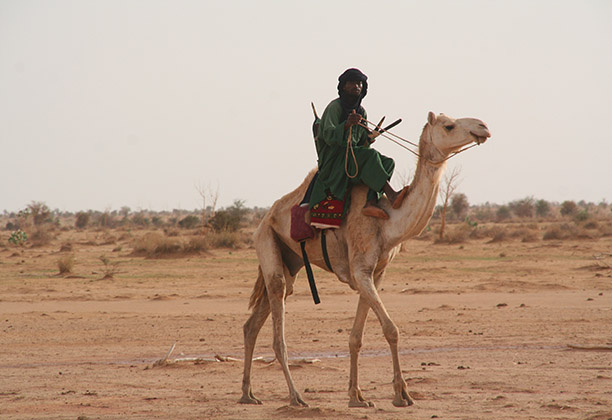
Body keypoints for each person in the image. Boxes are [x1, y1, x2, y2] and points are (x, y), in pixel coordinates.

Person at [309, 68, 408, 220]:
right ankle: (392, 195)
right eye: (352, 83)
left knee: (388, 163)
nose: (357, 86)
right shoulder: (334, 108)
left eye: (360, 83)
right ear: (343, 86)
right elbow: (328, 136)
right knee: (371, 155)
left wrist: (368, 139)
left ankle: (370, 202)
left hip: (351, 159)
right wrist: (346, 125)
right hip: (335, 161)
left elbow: (362, 143)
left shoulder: (361, 111)